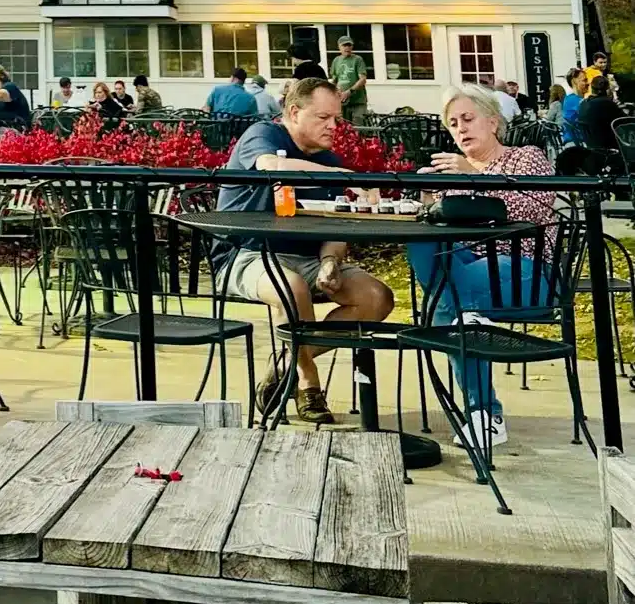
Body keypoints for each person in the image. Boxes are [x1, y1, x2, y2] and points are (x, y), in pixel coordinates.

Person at [215, 76, 394, 423]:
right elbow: (271, 165)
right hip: (247, 253)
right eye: (323, 118)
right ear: (294, 112)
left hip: (308, 258)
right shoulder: (264, 135)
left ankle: (287, 362)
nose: (333, 126)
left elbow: (338, 224)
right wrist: (343, 175)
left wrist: (330, 260)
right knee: (291, 288)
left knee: (377, 297)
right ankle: (308, 386)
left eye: (336, 119)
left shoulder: (327, 159)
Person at [409, 87, 557, 451]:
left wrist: (476, 173)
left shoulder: (526, 157)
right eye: (453, 123)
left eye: (468, 119)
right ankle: (468, 328)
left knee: (449, 299)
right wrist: (428, 200)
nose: (460, 129)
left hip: (529, 272)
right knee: (423, 242)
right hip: (473, 269)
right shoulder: (453, 170)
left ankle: (484, 412)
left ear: (493, 121)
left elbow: (532, 207)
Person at [577, 74, 625, 158]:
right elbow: (625, 121)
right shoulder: (606, 103)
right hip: (608, 147)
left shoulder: (583, 104)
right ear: (607, 89)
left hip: (591, 147)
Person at [328, 37, 370, 123]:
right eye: (344, 45)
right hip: (342, 101)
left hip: (357, 101)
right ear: (339, 46)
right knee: (343, 127)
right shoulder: (336, 60)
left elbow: (362, 79)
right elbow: (335, 80)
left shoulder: (357, 59)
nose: (347, 48)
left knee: (358, 127)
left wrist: (349, 91)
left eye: (349, 45)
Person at [0, 65, 32, 130]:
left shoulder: (10, 86)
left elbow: (1, 95)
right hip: (0, 131)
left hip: (18, 130)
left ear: (1, 77)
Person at [561, 69, 588, 144]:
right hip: (579, 142)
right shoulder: (576, 101)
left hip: (574, 140)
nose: (588, 83)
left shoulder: (569, 98)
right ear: (574, 82)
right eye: (584, 80)